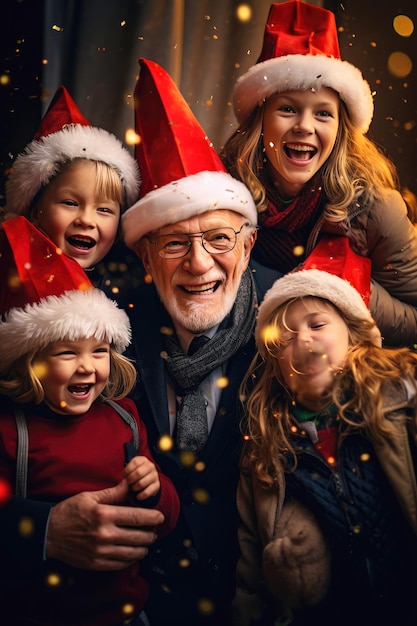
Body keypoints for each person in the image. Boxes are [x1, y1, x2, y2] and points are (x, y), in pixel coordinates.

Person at [120, 57, 259, 626]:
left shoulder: (292, 329)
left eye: (219, 239)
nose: (200, 264)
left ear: (247, 247)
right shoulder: (111, 335)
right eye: (175, 244)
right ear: (147, 258)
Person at [0, 217, 180, 626]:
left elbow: (163, 519)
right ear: (29, 363)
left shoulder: (124, 417)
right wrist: (41, 530)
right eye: (67, 353)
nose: (87, 367)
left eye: (99, 351)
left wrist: (154, 490)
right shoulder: (12, 432)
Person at [234, 234, 417, 626]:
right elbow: (251, 550)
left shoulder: (404, 401)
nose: (302, 339)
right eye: (283, 337)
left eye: (317, 324)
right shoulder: (267, 448)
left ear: (353, 335)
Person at [221, 0, 417, 348]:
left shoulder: (375, 208)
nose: (304, 126)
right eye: (287, 109)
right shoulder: (222, 191)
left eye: (323, 114)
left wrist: (353, 289)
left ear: (341, 128)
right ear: (259, 121)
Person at [2, 84, 140, 282]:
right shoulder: (17, 283)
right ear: (35, 213)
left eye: (104, 210)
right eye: (70, 203)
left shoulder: (119, 289)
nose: (86, 220)